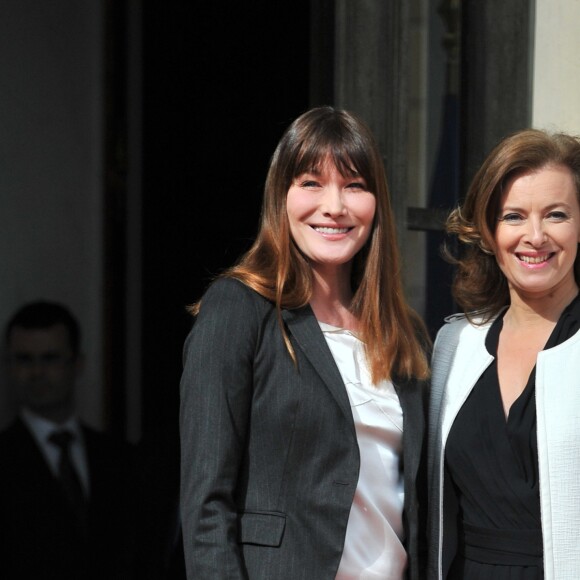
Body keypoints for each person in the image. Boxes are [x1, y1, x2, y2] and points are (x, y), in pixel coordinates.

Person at [180, 106, 430, 579]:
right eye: (311, 183)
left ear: (376, 203)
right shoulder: (239, 308)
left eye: (354, 185)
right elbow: (206, 504)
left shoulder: (404, 334)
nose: (334, 205)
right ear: (282, 196)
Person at [428, 129, 580, 579]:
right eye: (513, 216)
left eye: (556, 214)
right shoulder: (454, 346)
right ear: (489, 232)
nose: (535, 236)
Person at [0, 300, 135, 579]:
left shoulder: (121, 458)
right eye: (24, 359)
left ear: (77, 363)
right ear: (10, 366)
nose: (36, 373)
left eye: (50, 358)